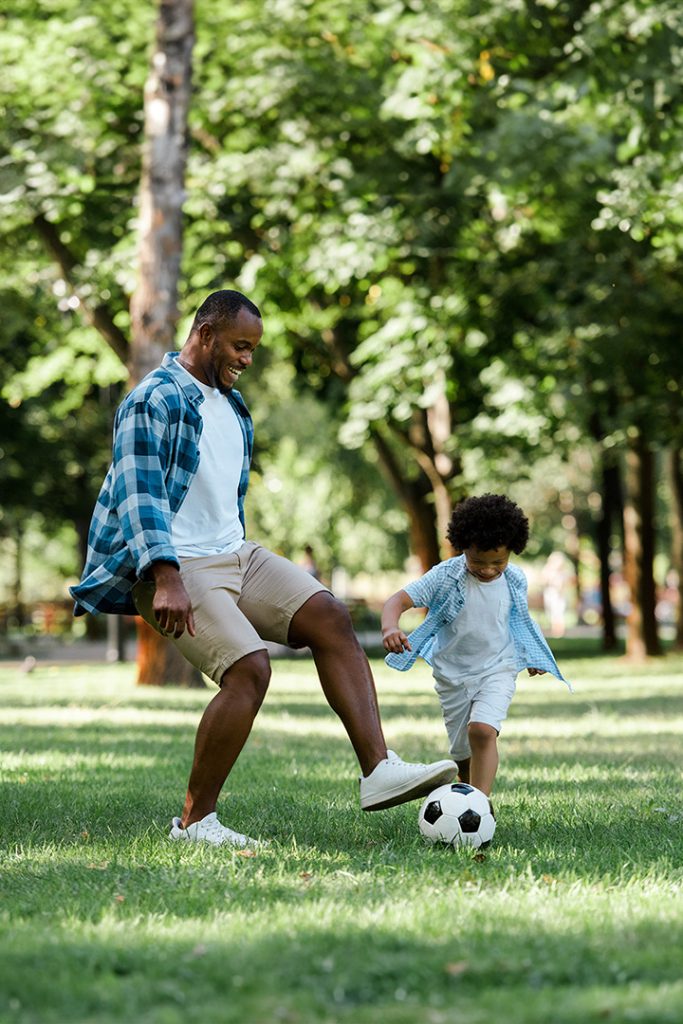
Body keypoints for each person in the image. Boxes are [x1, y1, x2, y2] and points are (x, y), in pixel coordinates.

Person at [70, 289, 456, 847]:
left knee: (329, 615)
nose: (247, 359)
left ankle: (378, 770)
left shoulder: (231, 403)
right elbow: (140, 495)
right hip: (177, 566)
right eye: (240, 346)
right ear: (204, 334)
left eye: (252, 349)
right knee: (250, 670)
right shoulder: (152, 400)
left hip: (235, 553)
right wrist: (166, 575)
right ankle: (194, 823)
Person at [381, 494, 571, 797]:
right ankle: (467, 792)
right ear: (463, 546)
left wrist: (531, 654)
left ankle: (481, 804)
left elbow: (520, 620)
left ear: (512, 550)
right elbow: (398, 600)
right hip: (452, 675)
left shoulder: (514, 579)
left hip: (498, 668)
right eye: (478, 561)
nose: (488, 569)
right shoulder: (445, 575)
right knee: (462, 754)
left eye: (499, 561)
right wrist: (390, 626)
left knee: (482, 731)